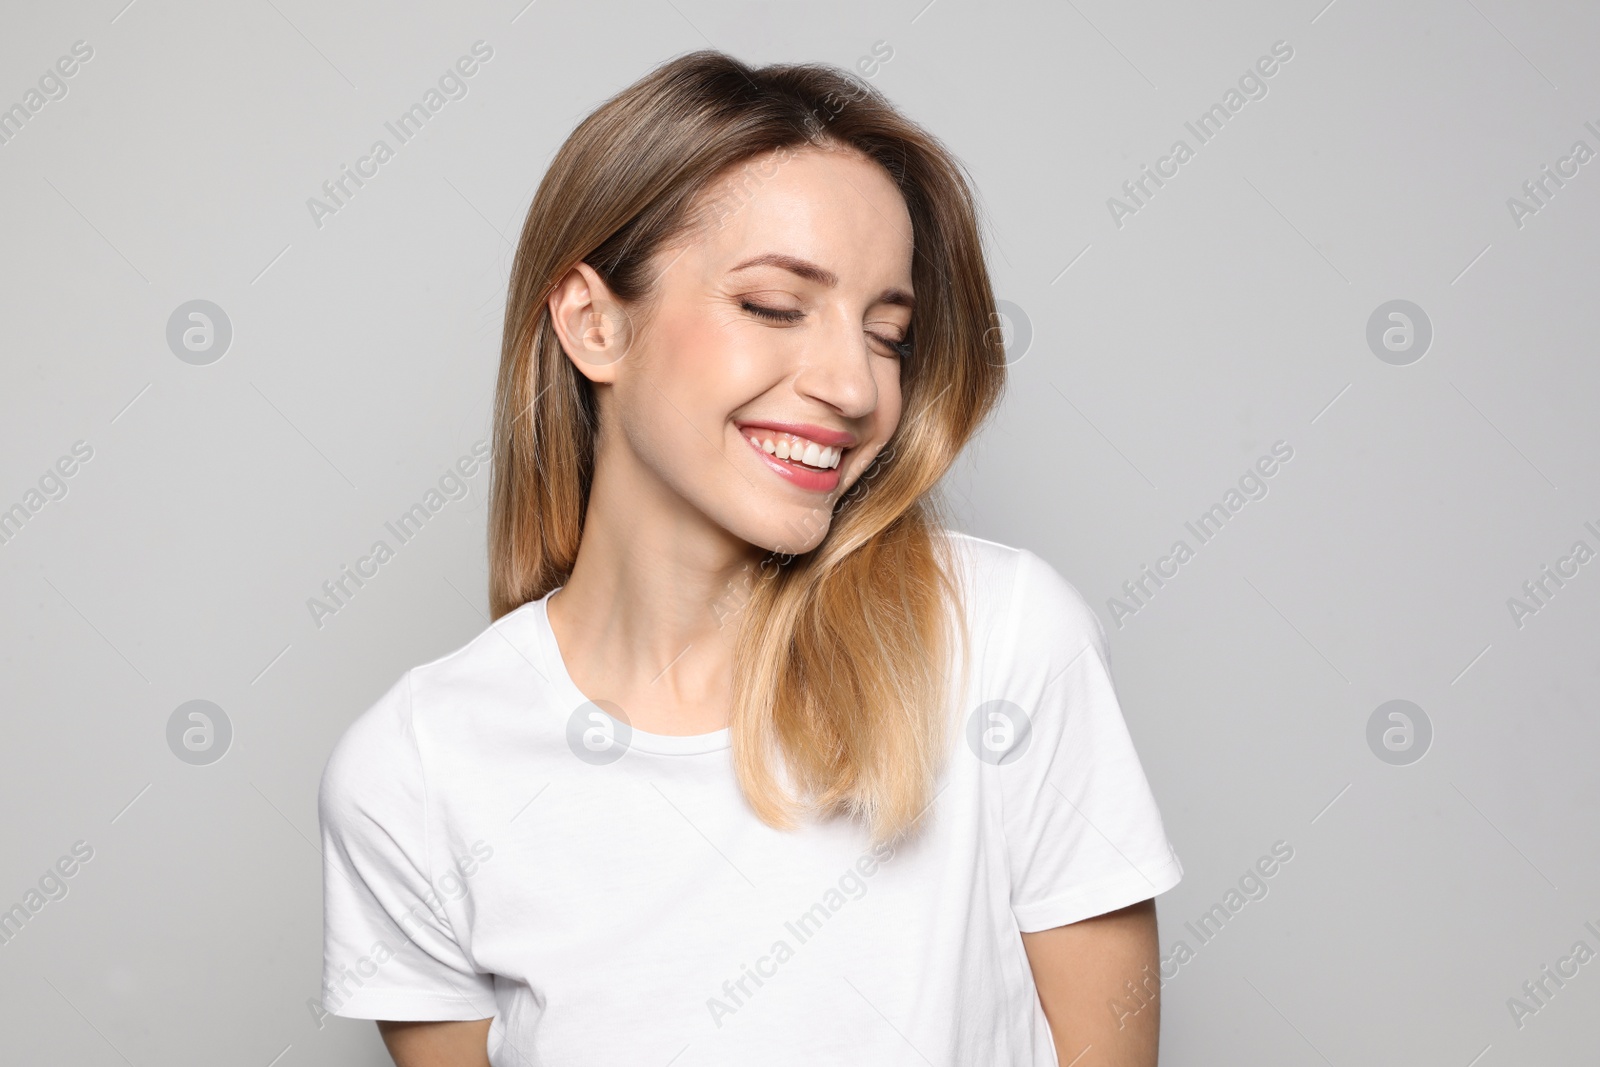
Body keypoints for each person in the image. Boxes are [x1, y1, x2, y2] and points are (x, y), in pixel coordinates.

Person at [318, 49, 1183, 1067]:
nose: (854, 387)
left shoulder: (1002, 640)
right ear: (595, 324)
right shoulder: (415, 769)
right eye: (775, 307)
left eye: (887, 331)